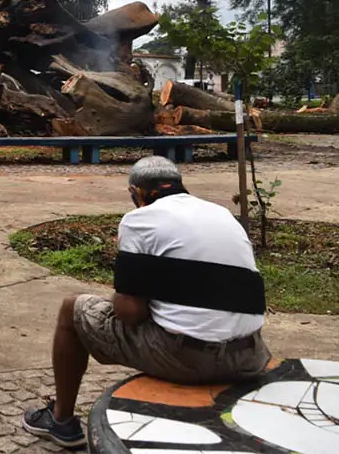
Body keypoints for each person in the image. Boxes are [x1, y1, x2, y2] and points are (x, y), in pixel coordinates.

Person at [22, 156, 270, 449]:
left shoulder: (138, 220)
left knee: (71, 309)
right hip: (250, 356)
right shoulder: (222, 214)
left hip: (188, 359)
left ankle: (61, 421)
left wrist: (127, 292)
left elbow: (130, 313)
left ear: (135, 193)